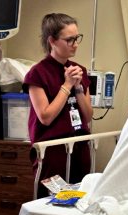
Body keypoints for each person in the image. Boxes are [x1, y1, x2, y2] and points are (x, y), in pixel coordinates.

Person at [22, 13, 93, 198]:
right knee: (51, 202)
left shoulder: (80, 71)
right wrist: (67, 85)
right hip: (53, 151)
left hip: (79, 145)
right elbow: (45, 117)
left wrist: (77, 87)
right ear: (52, 41)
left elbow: (88, 115)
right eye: (69, 40)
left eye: (77, 38)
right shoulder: (38, 73)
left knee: (80, 200)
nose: (75, 44)